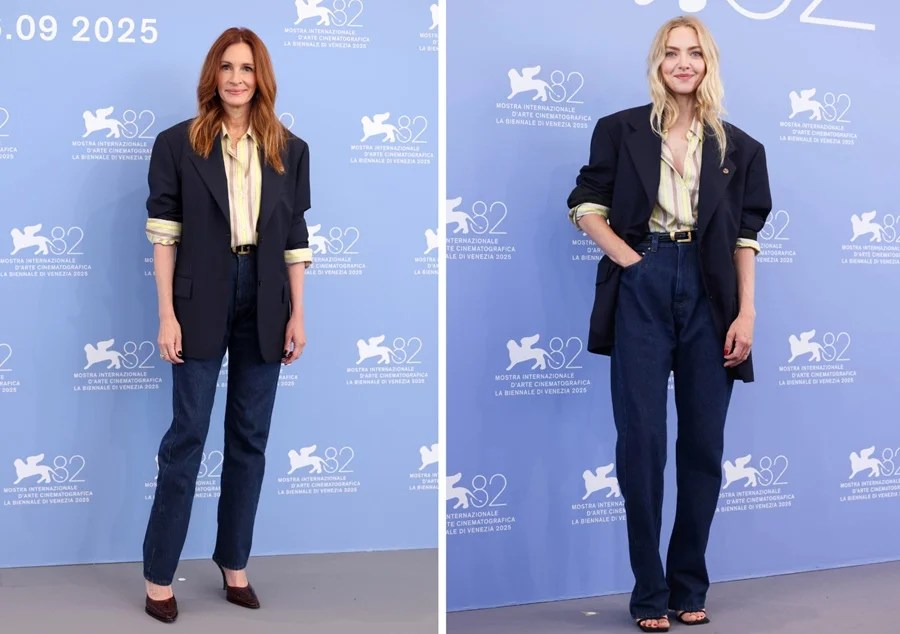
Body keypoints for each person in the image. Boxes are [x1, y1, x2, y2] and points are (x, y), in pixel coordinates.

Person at [566, 16, 771, 632]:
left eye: (695, 54)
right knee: (642, 444)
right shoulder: (619, 130)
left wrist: (747, 311)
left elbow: (744, 237)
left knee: (704, 445)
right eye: (672, 53)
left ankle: (689, 584)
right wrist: (631, 260)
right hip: (644, 282)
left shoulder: (740, 148)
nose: (683, 63)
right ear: (657, 63)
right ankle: (649, 593)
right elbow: (584, 204)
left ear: (709, 64)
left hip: (713, 294)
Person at [141, 26, 312, 623]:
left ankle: (233, 563)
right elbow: (165, 235)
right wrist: (166, 313)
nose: (237, 78)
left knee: (250, 441)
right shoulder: (176, 145)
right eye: (227, 67)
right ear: (212, 75)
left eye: (247, 68)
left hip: (266, 303)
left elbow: (294, 239)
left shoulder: (290, 148)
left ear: (261, 78)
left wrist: (298, 313)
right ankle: (160, 574)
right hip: (199, 300)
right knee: (186, 439)